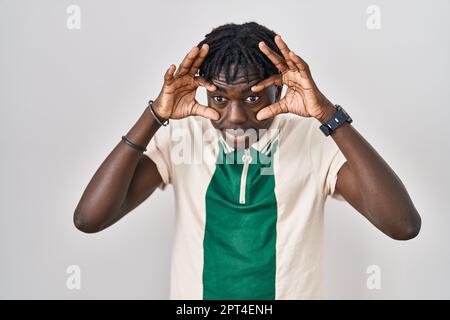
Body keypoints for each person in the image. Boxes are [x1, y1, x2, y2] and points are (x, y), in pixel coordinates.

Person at [73, 22, 421, 299]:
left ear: (280, 90)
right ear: (204, 90)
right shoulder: (184, 136)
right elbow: (90, 219)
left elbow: (402, 225)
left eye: (254, 97)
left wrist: (327, 114)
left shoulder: (314, 142)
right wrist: (155, 115)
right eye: (220, 98)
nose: (236, 116)